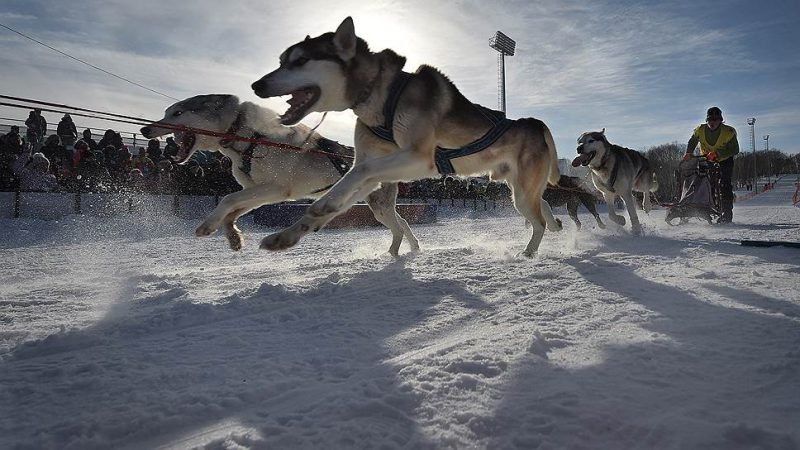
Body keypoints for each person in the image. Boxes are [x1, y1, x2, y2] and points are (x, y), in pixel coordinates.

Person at [683, 106, 739, 224]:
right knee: (706, 183)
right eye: (710, 120)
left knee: (725, 184)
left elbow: (735, 149)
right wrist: (688, 152)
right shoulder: (700, 130)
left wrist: (718, 154)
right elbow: (693, 141)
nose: (712, 122)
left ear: (720, 120)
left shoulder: (729, 132)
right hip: (707, 158)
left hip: (724, 159)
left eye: (715, 120)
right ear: (707, 120)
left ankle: (727, 214)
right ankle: (709, 209)